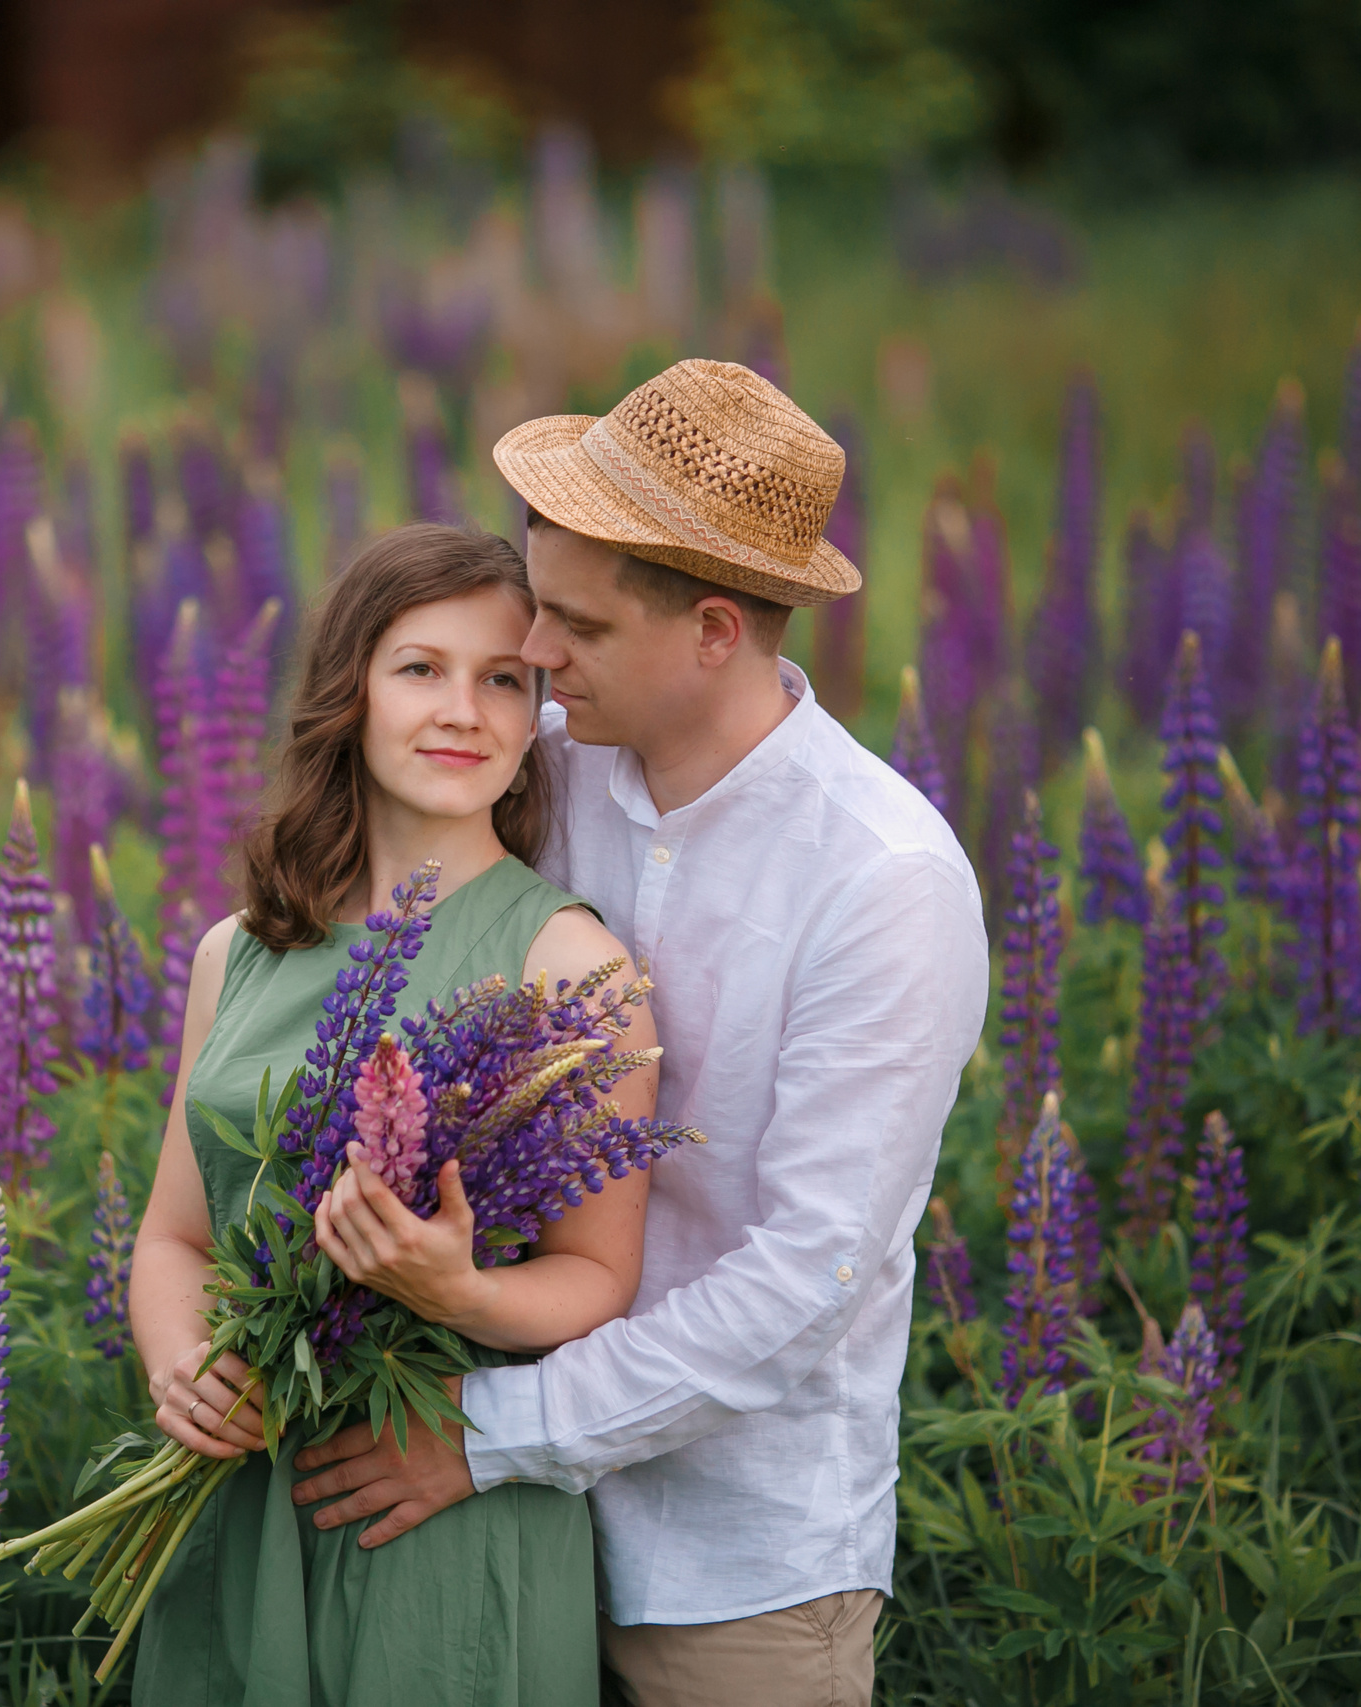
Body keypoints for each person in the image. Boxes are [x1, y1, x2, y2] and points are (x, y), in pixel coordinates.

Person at [287, 359, 990, 1707]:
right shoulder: (546, 766)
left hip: (731, 1560)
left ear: (716, 631)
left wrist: (489, 1434)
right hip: (489, 1523)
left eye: (578, 626)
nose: (536, 656)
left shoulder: (883, 877)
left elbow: (803, 1282)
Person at [126, 523, 661, 1706]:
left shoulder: (574, 969)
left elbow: (596, 1278)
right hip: (240, 1485)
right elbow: (175, 1235)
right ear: (350, 694)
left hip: (432, 1506)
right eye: (420, 668)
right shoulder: (239, 950)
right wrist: (181, 1373)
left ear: (535, 726)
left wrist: (455, 1291)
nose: (461, 709)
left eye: (503, 680)